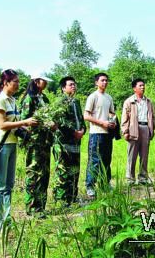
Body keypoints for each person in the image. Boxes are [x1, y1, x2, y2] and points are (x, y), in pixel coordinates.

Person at [0, 69, 37, 232]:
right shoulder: (0, 100)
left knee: (9, 185)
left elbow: (15, 125)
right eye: (14, 81)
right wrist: (25, 121)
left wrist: (26, 128)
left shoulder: (12, 101)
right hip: (1, 146)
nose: (17, 84)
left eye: (18, 81)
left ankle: (6, 218)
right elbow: (2, 124)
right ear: (5, 83)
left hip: (12, 144)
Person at [19, 74, 53, 216]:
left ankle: (41, 206)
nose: (45, 83)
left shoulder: (44, 98)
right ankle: (31, 207)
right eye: (43, 80)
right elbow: (24, 121)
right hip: (34, 141)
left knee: (44, 173)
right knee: (33, 173)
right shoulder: (29, 98)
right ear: (36, 81)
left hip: (45, 141)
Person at [53, 76, 86, 206]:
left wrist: (82, 130)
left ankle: (72, 197)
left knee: (74, 169)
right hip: (63, 141)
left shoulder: (76, 101)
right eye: (70, 85)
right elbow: (60, 122)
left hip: (76, 141)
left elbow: (81, 118)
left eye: (74, 84)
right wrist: (74, 132)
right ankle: (61, 199)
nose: (73, 86)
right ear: (63, 88)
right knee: (63, 170)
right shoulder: (60, 102)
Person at [83, 72, 116, 198]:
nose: (105, 82)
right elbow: (86, 116)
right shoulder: (93, 96)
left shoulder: (109, 97)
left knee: (106, 160)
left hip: (107, 134)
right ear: (96, 82)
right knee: (94, 161)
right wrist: (102, 122)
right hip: (96, 133)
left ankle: (104, 184)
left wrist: (112, 121)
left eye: (106, 80)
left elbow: (112, 113)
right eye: (102, 80)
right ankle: (90, 186)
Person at [121, 78, 155, 185]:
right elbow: (124, 118)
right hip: (133, 129)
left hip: (145, 128)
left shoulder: (148, 101)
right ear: (134, 88)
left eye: (143, 85)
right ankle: (130, 179)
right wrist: (125, 131)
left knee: (144, 155)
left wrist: (152, 128)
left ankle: (143, 178)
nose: (143, 87)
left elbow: (153, 116)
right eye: (140, 85)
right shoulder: (129, 101)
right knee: (132, 155)